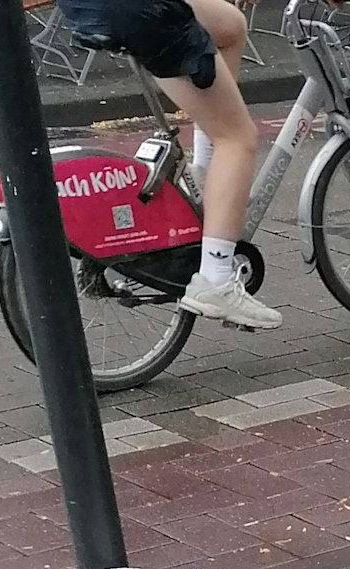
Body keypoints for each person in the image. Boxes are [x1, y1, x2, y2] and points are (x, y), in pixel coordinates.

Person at [56, 0, 283, 330]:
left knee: (230, 26)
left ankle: (204, 176)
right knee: (238, 138)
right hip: (140, 11)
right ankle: (216, 280)